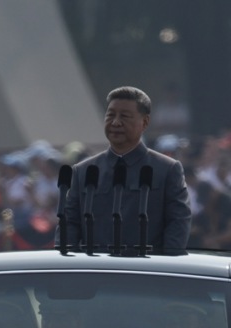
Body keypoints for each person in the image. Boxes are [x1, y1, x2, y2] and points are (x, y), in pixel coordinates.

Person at [59, 86, 191, 255]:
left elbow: (178, 224)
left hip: (147, 274)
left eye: (125, 116)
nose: (115, 122)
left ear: (145, 122)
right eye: (110, 115)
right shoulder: (83, 171)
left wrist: (163, 267)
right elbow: (69, 225)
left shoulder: (167, 169)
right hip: (94, 273)